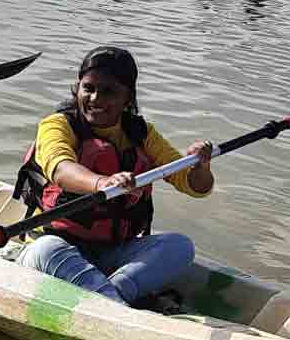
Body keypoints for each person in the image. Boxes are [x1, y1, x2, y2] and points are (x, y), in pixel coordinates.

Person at [14, 47, 215, 310]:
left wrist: (201, 166)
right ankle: (119, 307)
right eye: (88, 88)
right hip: (52, 247)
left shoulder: (142, 133)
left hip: (111, 253)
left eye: (109, 91)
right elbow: (61, 169)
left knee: (180, 246)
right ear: (78, 88)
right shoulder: (57, 125)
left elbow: (194, 186)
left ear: (127, 97)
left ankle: (109, 298)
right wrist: (102, 183)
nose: (95, 99)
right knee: (47, 249)